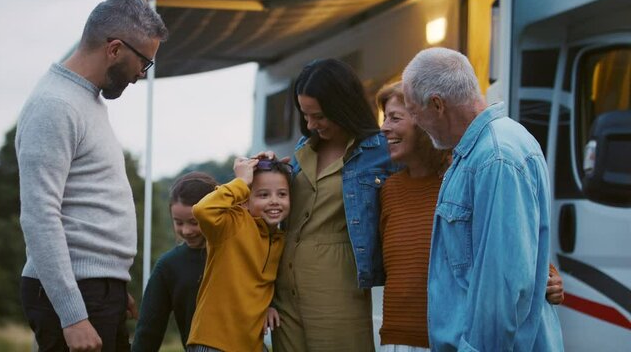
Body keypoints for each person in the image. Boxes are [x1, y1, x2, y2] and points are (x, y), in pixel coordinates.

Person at [15, 0, 168, 351]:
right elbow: (39, 217)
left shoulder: (87, 100)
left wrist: (112, 284)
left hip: (96, 290)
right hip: (77, 298)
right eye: (143, 62)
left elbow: (87, 204)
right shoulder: (55, 105)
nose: (141, 76)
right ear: (114, 49)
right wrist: (73, 316)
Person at [376, 81, 565, 352]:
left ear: (423, 121)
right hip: (396, 342)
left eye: (395, 118)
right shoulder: (388, 191)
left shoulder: (464, 181)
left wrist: (548, 277)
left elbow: (508, 247)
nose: (384, 128)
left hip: (449, 342)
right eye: (385, 118)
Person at [271, 58, 398, 352]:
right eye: (305, 115)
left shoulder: (380, 151)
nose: (310, 124)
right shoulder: (305, 148)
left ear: (343, 106)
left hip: (337, 289)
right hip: (284, 290)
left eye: (319, 116)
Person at [187, 157, 292, 352]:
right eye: (263, 195)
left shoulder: (278, 239)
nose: (274, 201)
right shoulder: (231, 224)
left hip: (250, 345)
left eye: (282, 194)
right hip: (213, 343)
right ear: (245, 200)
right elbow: (202, 210)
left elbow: (261, 283)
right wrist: (242, 181)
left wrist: (268, 305)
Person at [132, 172, 217, 351]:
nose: (186, 231)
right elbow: (148, 331)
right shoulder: (168, 266)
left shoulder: (235, 252)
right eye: (178, 222)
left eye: (194, 222)